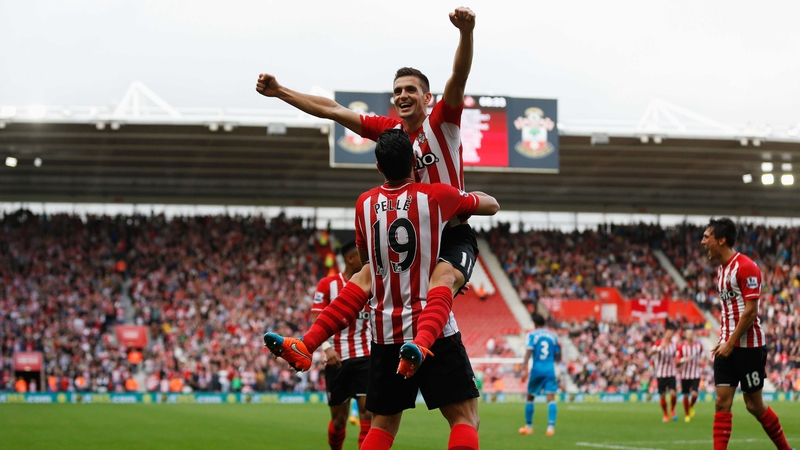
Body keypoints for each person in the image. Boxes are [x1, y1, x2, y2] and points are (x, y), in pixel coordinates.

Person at [256, 7, 478, 375]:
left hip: (449, 232)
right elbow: (332, 110)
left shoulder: (444, 122)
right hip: (413, 234)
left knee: (435, 278)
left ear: (428, 99)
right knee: (362, 277)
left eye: (411, 90)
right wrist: (280, 92)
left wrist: (466, 33)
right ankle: (305, 345)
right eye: (397, 91)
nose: (403, 95)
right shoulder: (390, 132)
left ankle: (420, 348)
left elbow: (459, 75)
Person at [265, 128, 499, 450]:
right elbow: (491, 205)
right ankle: (417, 345)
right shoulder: (435, 196)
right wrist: (468, 198)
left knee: (383, 425)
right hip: (433, 329)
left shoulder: (364, 204)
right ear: (414, 162)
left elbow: (367, 267)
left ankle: (306, 344)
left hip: (386, 332)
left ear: (378, 167)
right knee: (464, 418)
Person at [701, 218, 793, 450]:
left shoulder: (746, 266)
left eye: (706, 236)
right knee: (722, 402)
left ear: (721, 240)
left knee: (754, 405)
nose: (703, 242)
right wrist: (725, 341)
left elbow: (750, 312)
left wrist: (731, 342)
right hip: (726, 346)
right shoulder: (721, 271)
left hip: (748, 348)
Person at [311, 240, 373, 449]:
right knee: (339, 421)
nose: (367, 260)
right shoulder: (327, 285)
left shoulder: (372, 283)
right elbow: (316, 319)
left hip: (365, 356)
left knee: (368, 413)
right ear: (350, 258)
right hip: (336, 359)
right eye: (361, 255)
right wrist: (326, 348)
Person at [519, 313, 560, 436]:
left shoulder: (532, 335)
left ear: (535, 324)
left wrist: (523, 368)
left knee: (530, 397)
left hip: (537, 370)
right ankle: (550, 428)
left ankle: (529, 426)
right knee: (551, 398)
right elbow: (557, 354)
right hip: (550, 369)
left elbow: (528, 352)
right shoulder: (553, 336)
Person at [648, 327, 678, 422]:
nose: (669, 336)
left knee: (673, 393)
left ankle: (672, 409)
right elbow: (650, 352)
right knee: (663, 395)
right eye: (668, 334)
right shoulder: (659, 343)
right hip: (661, 373)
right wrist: (660, 348)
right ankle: (665, 415)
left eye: (671, 334)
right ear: (665, 334)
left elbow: (675, 357)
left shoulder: (673, 345)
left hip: (671, 373)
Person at [676, 328, 704, 422]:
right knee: (686, 395)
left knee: (695, 393)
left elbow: (701, 355)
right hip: (685, 374)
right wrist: (684, 359)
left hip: (695, 373)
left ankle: (691, 406)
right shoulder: (681, 347)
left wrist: (701, 361)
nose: (690, 335)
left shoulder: (699, 346)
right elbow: (677, 362)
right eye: (688, 334)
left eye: (691, 333)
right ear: (685, 335)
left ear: (693, 335)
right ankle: (687, 414)